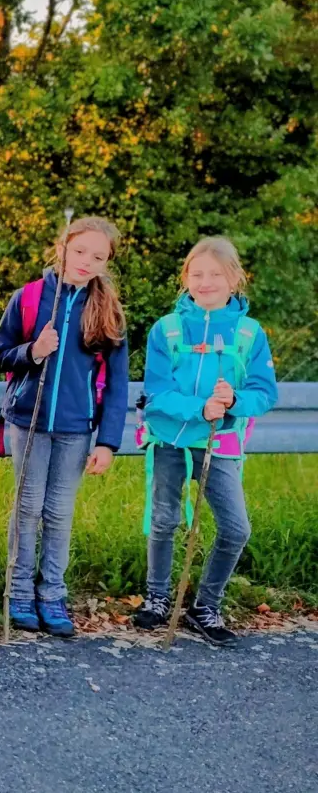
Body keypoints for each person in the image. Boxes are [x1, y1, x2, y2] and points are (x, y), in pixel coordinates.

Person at [131, 237, 278, 647]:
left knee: (235, 528)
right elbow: (157, 392)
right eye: (196, 274)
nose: (205, 281)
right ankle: (157, 598)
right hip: (169, 439)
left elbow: (265, 392)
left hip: (220, 443)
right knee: (165, 520)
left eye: (215, 274)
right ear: (185, 279)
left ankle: (205, 605)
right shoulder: (168, 329)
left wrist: (233, 401)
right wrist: (200, 408)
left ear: (235, 279)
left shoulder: (250, 333)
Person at [0, 217, 130, 637]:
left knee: (59, 512)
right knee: (28, 508)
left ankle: (52, 594)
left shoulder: (107, 310)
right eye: (81, 251)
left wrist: (107, 441)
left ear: (107, 263)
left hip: (75, 427)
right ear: (63, 246)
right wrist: (33, 350)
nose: (87, 261)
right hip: (28, 421)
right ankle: (18, 593)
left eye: (99, 256)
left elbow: (117, 384)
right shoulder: (29, 297)